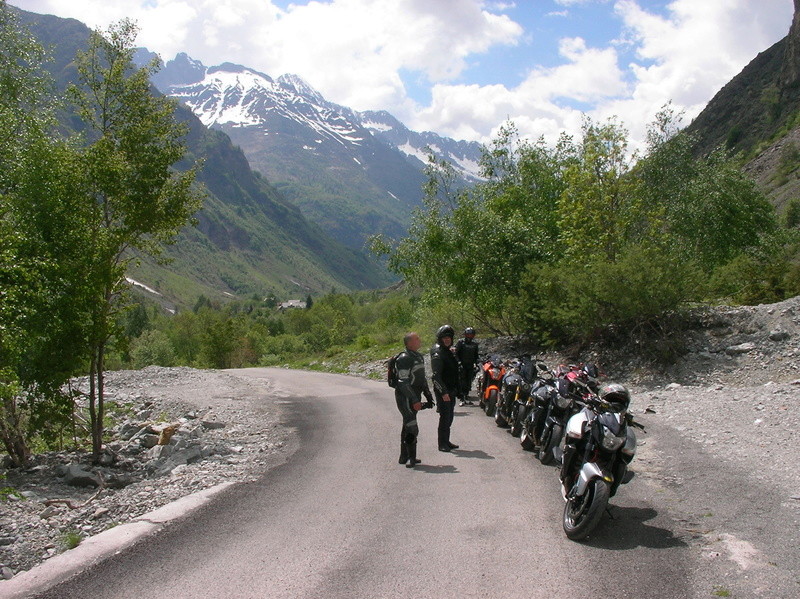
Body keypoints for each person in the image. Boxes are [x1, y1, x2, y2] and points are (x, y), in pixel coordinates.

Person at [394, 332, 434, 468]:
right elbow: (402, 382)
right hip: (404, 397)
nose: (419, 340)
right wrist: (414, 399)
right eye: (417, 339)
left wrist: (428, 395)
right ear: (409, 343)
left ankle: (405, 456)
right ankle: (411, 458)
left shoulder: (418, 357)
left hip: (414, 395)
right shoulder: (404, 358)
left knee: (407, 425)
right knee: (412, 426)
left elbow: (422, 379)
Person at [430, 324, 461, 452]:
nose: (447, 339)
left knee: (449, 417)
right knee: (445, 417)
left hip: (451, 388)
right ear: (440, 338)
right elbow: (436, 376)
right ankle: (442, 444)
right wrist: (443, 392)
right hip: (444, 390)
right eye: (445, 337)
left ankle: (446, 441)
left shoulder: (447, 351)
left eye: (449, 337)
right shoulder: (438, 352)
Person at [455, 326, 480, 406]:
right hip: (462, 365)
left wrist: (477, 364)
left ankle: (466, 395)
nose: (469, 336)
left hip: (470, 366)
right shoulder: (460, 342)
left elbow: (476, 356)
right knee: (462, 381)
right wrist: (458, 362)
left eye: (471, 335)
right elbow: (456, 354)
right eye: (468, 334)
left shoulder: (474, 344)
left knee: (469, 381)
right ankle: (462, 398)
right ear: (465, 335)